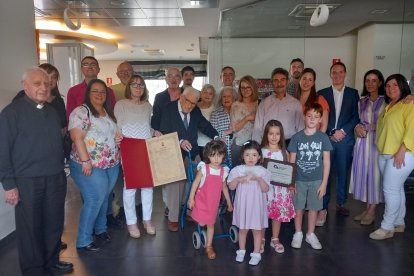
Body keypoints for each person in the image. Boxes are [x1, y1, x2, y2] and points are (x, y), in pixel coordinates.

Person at [0, 68, 72, 275]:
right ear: (25, 85)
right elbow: (2, 150)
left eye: (47, 84)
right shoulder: (11, 113)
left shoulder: (51, 111)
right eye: (37, 83)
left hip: (55, 177)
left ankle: (51, 262)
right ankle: (33, 269)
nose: (43, 87)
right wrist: (9, 184)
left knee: (53, 224)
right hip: (27, 181)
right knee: (30, 229)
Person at [69, 79, 121, 251]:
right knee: (94, 198)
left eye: (103, 92)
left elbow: (110, 134)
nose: (100, 94)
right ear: (88, 93)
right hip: (89, 164)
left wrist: (117, 138)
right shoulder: (81, 112)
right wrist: (86, 161)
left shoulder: (108, 112)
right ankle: (83, 240)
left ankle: (100, 230)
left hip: (111, 163)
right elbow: (77, 138)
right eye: (95, 91)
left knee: (105, 197)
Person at [159, 87, 218, 231]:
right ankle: (173, 218)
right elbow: (164, 130)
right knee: (175, 185)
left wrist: (216, 137)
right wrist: (179, 141)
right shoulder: (168, 109)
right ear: (181, 97)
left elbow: (205, 125)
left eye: (194, 103)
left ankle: (190, 212)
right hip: (174, 152)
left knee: (197, 183)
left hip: (193, 151)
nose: (190, 105)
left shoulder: (195, 110)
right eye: (188, 101)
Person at [114, 74, 161, 238]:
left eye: (141, 84)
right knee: (130, 187)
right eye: (134, 84)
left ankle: (147, 220)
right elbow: (118, 128)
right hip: (129, 148)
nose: (138, 87)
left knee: (148, 186)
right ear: (129, 87)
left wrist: (155, 132)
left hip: (146, 147)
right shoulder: (121, 104)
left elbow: (146, 127)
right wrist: (120, 146)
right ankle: (131, 222)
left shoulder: (148, 106)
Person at [369, 74, 414, 240]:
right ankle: (399, 222)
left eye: (395, 85)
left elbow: (412, 129)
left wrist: (403, 149)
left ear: (402, 86)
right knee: (397, 189)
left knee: (390, 190)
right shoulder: (389, 105)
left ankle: (387, 227)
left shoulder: (409, 103)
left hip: (402, 154)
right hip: (385, 152)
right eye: (388, 86)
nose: (391, 88)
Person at [317, 62, 359, 225]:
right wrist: (330, 132)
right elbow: (319, 116)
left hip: (345, 139)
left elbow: (356, 116)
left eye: (340, 72)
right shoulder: (322, 93)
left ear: (345, 73)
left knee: (343, 172)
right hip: (326, 139)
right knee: (325, 173)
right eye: (334, 72)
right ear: (330, 74)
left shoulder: (353, 93)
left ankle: (341, 203)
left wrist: (343, 131)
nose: (337, 75)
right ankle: (323, 205)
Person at [288, 103, 332, 250]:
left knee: (314, 208)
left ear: (320, 120)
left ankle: (310, 234)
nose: (312, 119)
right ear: (304, 117)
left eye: (316, 117)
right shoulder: (296, 138)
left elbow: (326, 162)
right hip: (299, 180)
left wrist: (324, 183)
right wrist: (291, 181)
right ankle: (298, 233)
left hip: (317, 180)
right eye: (309, 116)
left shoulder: (323, 138)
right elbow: (292, 161)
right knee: (299, 208)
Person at [349, 69, 386, 225]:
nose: (370, 83)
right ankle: (367, 208)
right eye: (367, 80)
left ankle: (372, 211)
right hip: (363, 142)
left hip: (378, 142)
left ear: (380, 82)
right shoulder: (361, 101)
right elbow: (358, 120)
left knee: (375, 175)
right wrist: (358, 127)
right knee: (364, 174)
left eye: (374, 80)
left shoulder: (387, 100)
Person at [188, 140, 233, 260]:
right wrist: (191, 198)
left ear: (224, 155)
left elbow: (224, 187)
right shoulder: (204, 169)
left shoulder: (224, 171)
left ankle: (209, 246)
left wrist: (229, 201)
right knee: (202, 221)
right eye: (213, 155)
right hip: (201, 201)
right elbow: (195, 183)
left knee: (210, 224)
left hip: (213, 203)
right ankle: (202, 227)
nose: (216, 158)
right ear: (208, 155)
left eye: (219, 155)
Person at [227, 140, 270, 266]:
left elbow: (265, 189)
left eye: (254, 155)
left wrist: (259, 179)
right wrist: (239, 179)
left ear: (259, 157)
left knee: (257, 230)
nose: (251, 158)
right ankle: (241, 250)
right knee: (243, 229)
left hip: (256, 206)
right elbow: (231, 187)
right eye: (247, 155)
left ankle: (256, 253)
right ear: (242, 156)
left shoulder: (263, 171)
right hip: (243, 205)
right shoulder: (237, 170)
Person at [151, 67, 183, 217]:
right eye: (170, 76)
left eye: (177, 76)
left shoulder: (186, 95)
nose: (173, 79)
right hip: (164, 140)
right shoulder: (159, 97)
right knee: (167, 177)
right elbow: (156, 118)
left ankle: (181, 204)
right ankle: (169, 206)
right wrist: (155, 132)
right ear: (165, 79)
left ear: (181, 79)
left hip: (184, 141)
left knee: (182, 177)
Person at [260, 120, 294, 254]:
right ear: (266, 135)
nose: (274, 137)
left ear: (281, 135)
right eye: (271, 134)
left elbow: (290, 171)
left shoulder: (285, 152)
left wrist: (291, 185)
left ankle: (275, 239)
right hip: (264, 189)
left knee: (277, 214)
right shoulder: (260, 152)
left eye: (277, 134)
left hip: (280, 190)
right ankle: (261, 239)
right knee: (262, 214)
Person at [252, 67, 304, 144]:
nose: (279, 84)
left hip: (289, 143)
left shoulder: (295, 104)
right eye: (276, 80)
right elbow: (257, 128)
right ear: (272, 83)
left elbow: (300, 128)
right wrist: (256, 148)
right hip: (268, 144)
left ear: (287, 82)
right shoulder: (264, 104)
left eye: (282, 80)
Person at [230, 75, 259, 166]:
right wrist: (247, 118)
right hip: (239, 143)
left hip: (255, 143)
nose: (245, 90)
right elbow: (234, 128)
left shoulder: (260, 104)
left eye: (248, 87)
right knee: (237, 171)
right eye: (242, 88)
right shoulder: (235, 105)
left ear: (253, 88)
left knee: (254, 172)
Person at [294, 68, 329, 132]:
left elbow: (324, 124)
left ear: (313, 83)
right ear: (299, 80)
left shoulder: (320, 99)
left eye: (310, 80)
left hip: (313, 139)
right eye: (304, 79)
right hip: (296, 137)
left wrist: (317, 140)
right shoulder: (293, 100)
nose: (306, 82)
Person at [210, 86, 237, 166]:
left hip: (239, 150)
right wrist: (225, 133)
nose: (226, 99)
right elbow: (213, 134)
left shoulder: (239, 111)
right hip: (223, 151)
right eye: (224, 97)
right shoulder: (215, 114)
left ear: (234, 98)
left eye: (229, 96)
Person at [197, 84, 216, 160]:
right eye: (205, 92)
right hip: (195, 143)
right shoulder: (194, 107)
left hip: (210, 144)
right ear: (201, 94)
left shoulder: (215, 109)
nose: (207, 95)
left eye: (210, 93)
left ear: (213, 96)